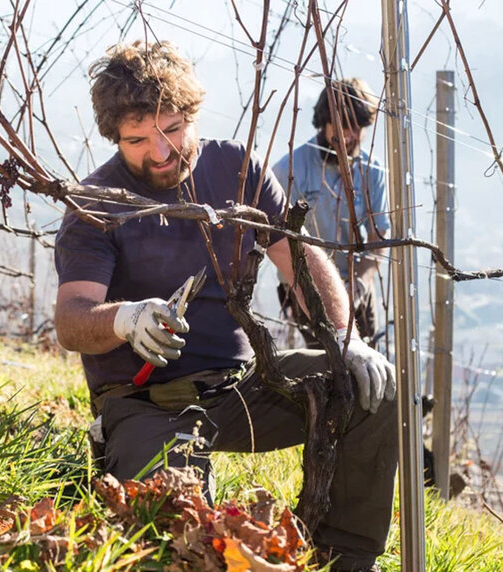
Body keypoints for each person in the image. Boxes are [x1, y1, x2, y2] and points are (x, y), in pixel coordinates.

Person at [54, 41, 397, 571]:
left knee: (369, 385)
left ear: (193, 113)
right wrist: (126, 318)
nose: (161, 152)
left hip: (244, 390)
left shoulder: (235, 168)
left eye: (171, 130)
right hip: (144, 403)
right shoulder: (97, 202)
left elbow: (298, 259)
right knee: (178, 543)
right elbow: (72, 318)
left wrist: (345, 337)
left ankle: (346, 558)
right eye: (138, 140)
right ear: (115, 138)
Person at [271, 78, 390, 346]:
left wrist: (359, 281)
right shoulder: (290, 170)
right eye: (339, 129)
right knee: (323, 365)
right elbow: (279, 241)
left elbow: (379, 234)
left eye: (355, 129)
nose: (347, 137)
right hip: (304, 287)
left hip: (357, 287)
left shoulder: (373, 172)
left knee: (367, 367)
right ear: (323, 124)